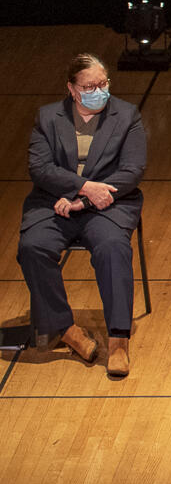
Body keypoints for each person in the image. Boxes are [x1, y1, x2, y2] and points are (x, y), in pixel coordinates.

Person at [20, 54, 146, 379]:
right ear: (72, 90)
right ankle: (65, 328)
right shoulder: (48, 118)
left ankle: (118, 340)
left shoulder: (127, 116)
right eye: (89, 86)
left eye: (102, 83)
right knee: (33, 247)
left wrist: (85, 200)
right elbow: (40, 168)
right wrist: (83, 187)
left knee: (113, 249)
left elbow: (131, 171)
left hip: (108, 205)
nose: (98, 90)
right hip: (55, 202)